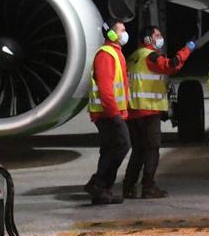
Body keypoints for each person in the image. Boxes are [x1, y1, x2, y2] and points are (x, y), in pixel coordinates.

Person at [122, 26, 198, 199]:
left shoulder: (132, 57)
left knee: (138, 150)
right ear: (148, 39)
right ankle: (148, 186)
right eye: (157, 35)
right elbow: (172, 65)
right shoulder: (150, 56)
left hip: (133, 110)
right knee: (152, 149)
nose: (160, 38)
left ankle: (128, 186)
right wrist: (188, 48)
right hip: (148, 110)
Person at [84, 21, 131, 205]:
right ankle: (99, 183)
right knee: (122, 145)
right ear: (111, 34)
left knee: (110, 149)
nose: (125, 33)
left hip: (110, 113)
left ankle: (102, 190)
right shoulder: (106, 55)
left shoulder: (115, 53)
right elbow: (105, 89)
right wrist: (115, 114)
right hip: (107, 114)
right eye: (122, 30)